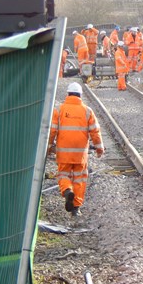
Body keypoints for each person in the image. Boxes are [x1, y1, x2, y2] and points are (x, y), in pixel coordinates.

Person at [48, 82, 104, 217]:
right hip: (80, 155)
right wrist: (99, 148)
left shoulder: (59, 110)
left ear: (68, 94)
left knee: (63, 174)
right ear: (80, 96)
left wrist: (49, 146)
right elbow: (95, 131)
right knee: (80, 179)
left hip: (63, 153)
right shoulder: (87, 111)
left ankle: (67, 190)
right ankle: (76, 208)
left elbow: (52, 130)